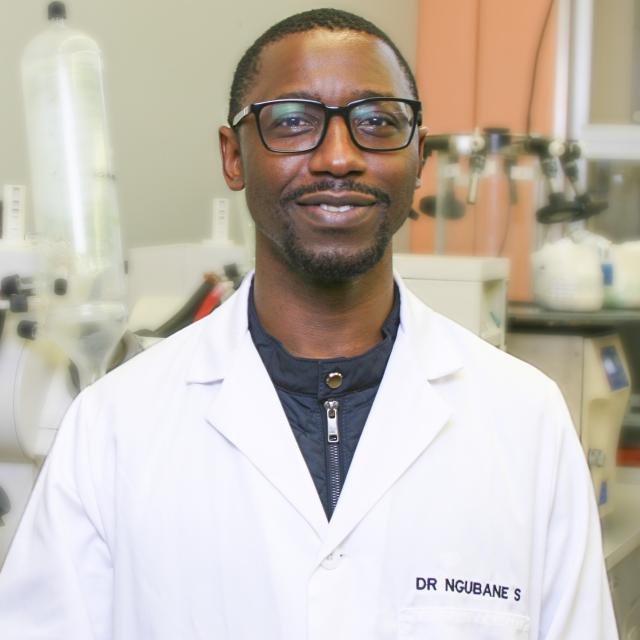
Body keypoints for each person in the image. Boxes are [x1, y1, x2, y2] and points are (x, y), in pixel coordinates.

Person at [0, 8, 617, 639]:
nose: (339, 157)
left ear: (419, 158)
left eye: (377, 122)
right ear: (232, 156)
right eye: (294, 122)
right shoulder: (113, 429)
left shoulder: (526, 420)